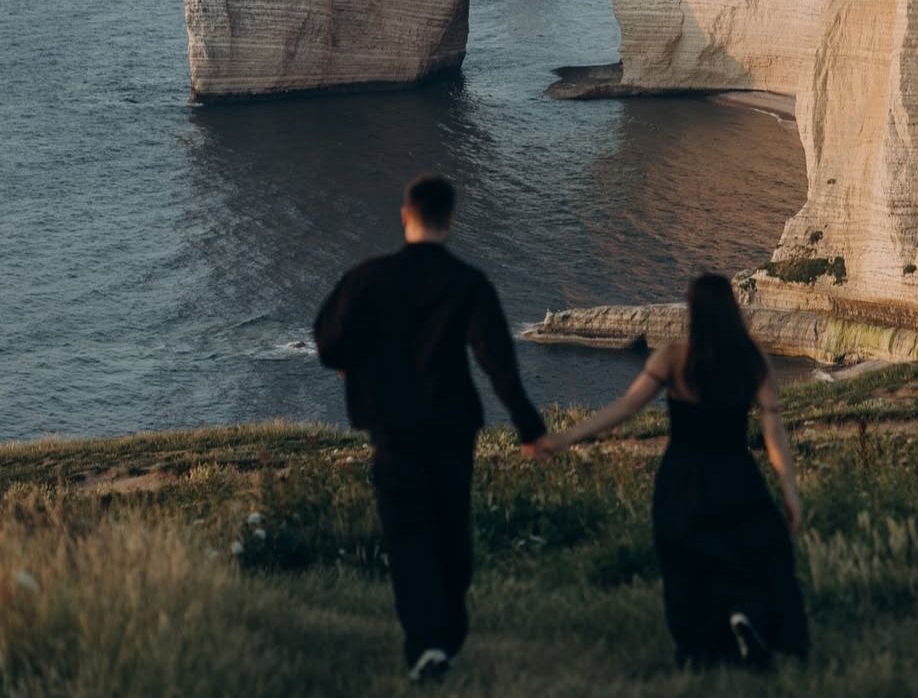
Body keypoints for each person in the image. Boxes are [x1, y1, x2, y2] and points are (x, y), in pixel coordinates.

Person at [314, 173, 546, 684]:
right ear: (451, 220)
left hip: (392, 427)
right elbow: (497, 361)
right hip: (452, 425)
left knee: (407, 534)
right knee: (450, 528)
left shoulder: (368, 277)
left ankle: (427, 642)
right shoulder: (467, 282)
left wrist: (352, 361)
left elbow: (327, 338)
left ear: (405, 216)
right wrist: (528, 426)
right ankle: (446, 636)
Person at [540, 273, 808, 669]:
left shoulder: (673, 357)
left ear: (693, 311)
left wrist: (564, 438)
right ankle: (746, 617)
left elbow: (625, 408)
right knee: (755, 552)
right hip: (736, 475)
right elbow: (774, 434)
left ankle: (701, 648)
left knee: (687, 561)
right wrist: (788, 489)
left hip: (683, 475)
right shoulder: (753, 361)